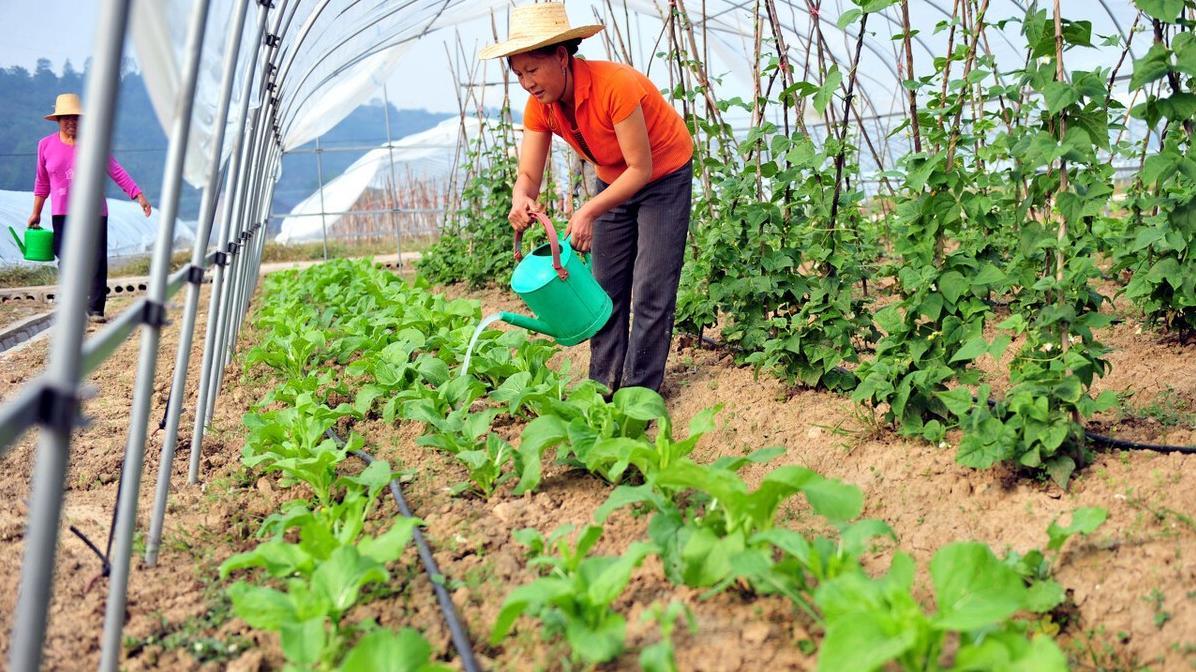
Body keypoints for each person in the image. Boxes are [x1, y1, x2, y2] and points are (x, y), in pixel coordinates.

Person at [481, 2, 694, 395]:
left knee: (650, 287)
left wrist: (589, 211)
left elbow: (640, 170)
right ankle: (603, 386)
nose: (527, 82)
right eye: (519, 74)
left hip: (662, 176)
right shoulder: (541, 106)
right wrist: (520, 197)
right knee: (605, 286)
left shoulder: (615, 86)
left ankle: (638, 393)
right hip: (614, 180)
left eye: (532, 69)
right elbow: (528, 174)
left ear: (561, 57)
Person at [28, 93, 152, 323]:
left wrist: (138, 195)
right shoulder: (45, 146)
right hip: (62, 212)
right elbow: (42, 181)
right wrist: (36, 212)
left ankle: (96, 308)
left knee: (96, 259)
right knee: (66, 257)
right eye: (66, 118)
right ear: (58, 120)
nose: (71, 122)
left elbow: (115, 170)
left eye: (75, 118)